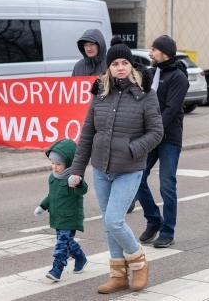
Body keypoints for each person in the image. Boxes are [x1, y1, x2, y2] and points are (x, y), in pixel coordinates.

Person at [70, 37, 163, 294]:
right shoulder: (100, 94)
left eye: (124, 63)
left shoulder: (146, 95)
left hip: (129, 169)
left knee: (114, 220)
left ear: (131, 66)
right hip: (101, 169)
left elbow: (157, 132)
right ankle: (118, 275)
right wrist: (77, 169)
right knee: (109, 223)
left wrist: (132, 149)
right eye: (115, 63)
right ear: (109, 67)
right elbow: (87, 133)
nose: (120, 67)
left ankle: (138, 260)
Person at [136, 35, 190, 249]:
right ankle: (154, 220)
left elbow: (170, 110)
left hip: (169, 138)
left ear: (165, 53)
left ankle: (167, 231)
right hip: (150, 137)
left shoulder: (179, 78)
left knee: (167, 184)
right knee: (137, 178)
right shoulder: (152, 73)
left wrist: (154, 131)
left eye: (153, 50)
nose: (150, 53)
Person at [34, 139, 88, 281]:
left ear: (69, 162)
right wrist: (42, 206)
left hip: (70, 217)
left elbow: (83, 189)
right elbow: (52, 196)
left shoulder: (74, 178)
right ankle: (80, 257)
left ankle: (57, 268)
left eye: (58, 164)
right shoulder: (53, 177)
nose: (55, 167)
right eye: (52, 163)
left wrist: (78, 182)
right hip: (58, 217)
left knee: (62, 243)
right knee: (67, 242)